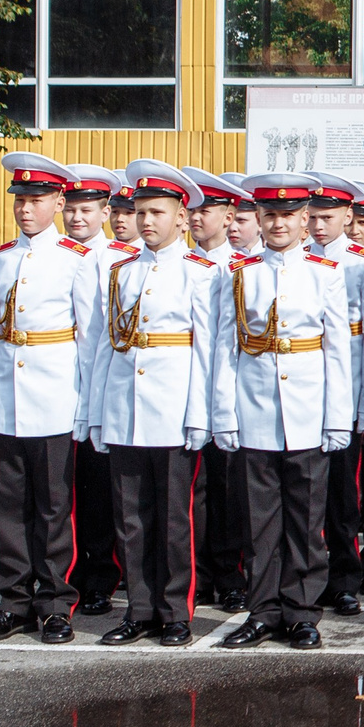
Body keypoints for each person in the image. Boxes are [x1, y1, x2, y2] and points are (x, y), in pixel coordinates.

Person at [210, 175, 355, 649]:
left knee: (306, 521)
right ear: (258, 218)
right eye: (269, 215)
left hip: (308, 411)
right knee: (259, 522)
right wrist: (224, 415)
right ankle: (262, 611)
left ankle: (302, 612)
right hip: (255, 411)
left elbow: (337, 351)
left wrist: (338, 417)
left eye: (289, 215)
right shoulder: (240, 273)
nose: (278, 224)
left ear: (304, 220)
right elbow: (224, 349)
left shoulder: (325, 273)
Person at [84, 160, 220, 646]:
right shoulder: (121, 270)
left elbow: (208, 349)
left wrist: (201, 415)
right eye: (140, 212)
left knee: (173, 520)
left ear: (182, 217)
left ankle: (176, 611)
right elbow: (106, 344)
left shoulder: (201, 273)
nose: (146, 222)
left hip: (173, 407)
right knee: (131, 517)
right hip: (125, 407)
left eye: (157, 212)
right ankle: (139, 610)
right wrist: (96, 413)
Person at [0, 152, 99, 647]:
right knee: (9, 507)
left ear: (58, 202)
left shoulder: (77, 260)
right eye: (20, 200)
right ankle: (13, 601)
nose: (25, 209)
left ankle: (56, 602)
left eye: (37, 199)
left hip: (54, 395)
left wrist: (86, 407)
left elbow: (90, 339)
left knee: (52, 507)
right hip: (6, 397)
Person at [304, 172, 364, 615]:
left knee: (341, 494)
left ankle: (343, 579)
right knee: (305, 495)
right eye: (313, 217)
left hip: (348, 387)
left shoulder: (363, 263)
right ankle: (306, 578)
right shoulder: (297, 259)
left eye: (328, 217)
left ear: (348, 216)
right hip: (302, 390)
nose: (319, 226)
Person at [60, 163, 134, 615]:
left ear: (105, 211)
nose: (76, 219)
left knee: (100, 495)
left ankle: (102, 577)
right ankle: (65, 576)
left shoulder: (119, 260)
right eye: (69, 210)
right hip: (54, 390)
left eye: (86, 210)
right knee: (59, 495)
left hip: (100, 390)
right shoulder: (49, 255)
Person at [184, 169, 255, 608]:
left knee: (231, 490)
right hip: (186, 390)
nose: (196, 218)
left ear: (229, 215)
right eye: (192, 210)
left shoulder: (242, 267)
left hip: (230, 392)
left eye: (206, 210)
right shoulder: (181, 264)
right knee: (194, 491)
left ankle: (231, 574)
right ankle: (200, 574)